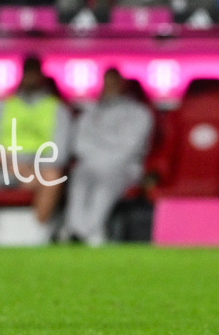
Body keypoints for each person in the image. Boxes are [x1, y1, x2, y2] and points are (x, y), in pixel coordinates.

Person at [0, 56, 71, 228]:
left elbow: (60, 153)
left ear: (42, 76)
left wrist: (28, 167)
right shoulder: (2, 106)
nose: (30, 78)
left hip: (35, 172)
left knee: (53, 176)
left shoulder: (57, 108)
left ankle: (37, 235)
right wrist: (5, 163)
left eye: (34, 73)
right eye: (27, 72)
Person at [60, 68, 153, 246]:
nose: (109, 87)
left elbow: (131, 145)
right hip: (91, 163)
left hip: (124, 166)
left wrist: (104, 153)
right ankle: (75, 228)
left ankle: (88, 231)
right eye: (106, 83)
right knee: (78, 178)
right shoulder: (91, 111)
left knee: (105, 184)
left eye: (113, 83)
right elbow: (79, 143)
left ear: (122, 84)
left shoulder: (138, 112)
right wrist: (97, 155)